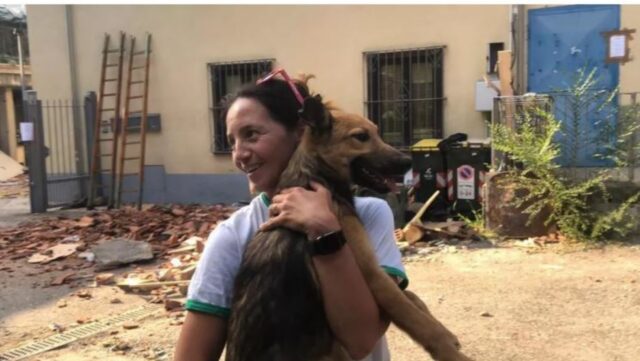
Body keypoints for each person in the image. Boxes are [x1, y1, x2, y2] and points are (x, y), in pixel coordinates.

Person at [174, 72, 408, 361]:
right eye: (232, 141)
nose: (239, 154)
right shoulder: (234, 235)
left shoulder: (370, 215)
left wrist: (325, 232)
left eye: (252, 135)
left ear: (301, 132)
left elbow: (362, 340)